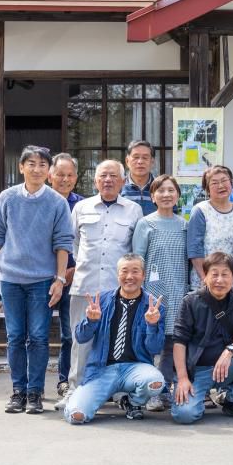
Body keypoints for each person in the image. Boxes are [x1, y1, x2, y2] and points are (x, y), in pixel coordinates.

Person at [0, 145, 73, 414]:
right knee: (15, 336)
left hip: (42, 280)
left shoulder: (56, 202)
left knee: (38, 336)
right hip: (10, 278)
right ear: (21, 167)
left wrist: (59, 279)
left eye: (42, 165)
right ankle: (18, 391)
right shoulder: (7, 198)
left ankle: (35, 392)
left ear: (49, 171)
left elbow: (63, 243)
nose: (36, 169)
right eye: (30, 164)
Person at [67, 160, 143, 399]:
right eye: (103, 176)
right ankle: (75, 389)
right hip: (85, 285)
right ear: (95, 180)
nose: (108, 180)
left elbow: (134, 250)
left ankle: (116, 392)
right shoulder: (81, 207)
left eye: (113, 176)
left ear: (122, 181)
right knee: (81, 341)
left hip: (117, 289)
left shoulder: (133, 210)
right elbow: (73, 243)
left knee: (116, 340)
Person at [63, 254, 165, 424]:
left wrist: (152, 325)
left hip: (135, 368)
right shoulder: (101, 301)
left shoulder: (153, 306)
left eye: (135, 271)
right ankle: (80, 400)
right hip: (103, 369)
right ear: (118, 275)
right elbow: (81, 338)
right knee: (76, 416)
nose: (129, 277)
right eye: (124, 271)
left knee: (155, 382)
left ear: (143, 275)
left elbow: (155, 349)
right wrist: (91, 321)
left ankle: (133, 402)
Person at [171, 252, 233, 424]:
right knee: (184, 415)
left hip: (228, 367)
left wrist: (229, 352)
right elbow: (179, 340)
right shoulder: (190, 301)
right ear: (205, 277)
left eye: (225, 274)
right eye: (214, 274)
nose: (219, 280)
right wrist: (183, 378)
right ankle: (188, 395)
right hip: (196, 372)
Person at [132, 174, 189, 412]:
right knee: (150, 342)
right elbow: (138, 258)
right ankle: (148, 391)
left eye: (171, 190)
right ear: (153, 196)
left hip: (179, 290)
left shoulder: (184, 224)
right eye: (161, 191)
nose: (166, 195)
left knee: (171, 343)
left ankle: (164, 391)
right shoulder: (146, 223)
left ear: (177, 195)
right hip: (152, 292)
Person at [48, 152, 83, 402]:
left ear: (76, 178)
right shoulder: (40, 201)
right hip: (41, 277)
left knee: (70, 334)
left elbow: (88, 244)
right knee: (35, 335)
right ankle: (31, 387)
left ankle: (65, 381)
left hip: (74, 278)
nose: (65, 179)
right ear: (50, 175)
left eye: (70, 175)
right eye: (60, 174)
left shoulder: (82, 205)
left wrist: (72, 270)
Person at [187, 165, 233, 288]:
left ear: (231, 184)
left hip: (232, 281)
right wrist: (205, 278)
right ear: (207, 189)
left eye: (224, 181)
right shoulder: (200, 210)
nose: (221, 186)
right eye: (214, 183)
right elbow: (194, 248)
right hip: (205, 281)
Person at [121, 140, 157, 215]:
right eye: (136, 157)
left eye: (145, 158)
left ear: (152, 162)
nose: (140, 161)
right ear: (127, 161)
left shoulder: (160, 187)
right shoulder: (118, 186)